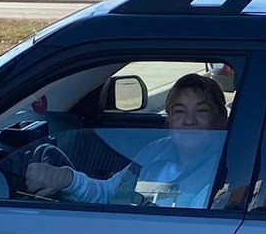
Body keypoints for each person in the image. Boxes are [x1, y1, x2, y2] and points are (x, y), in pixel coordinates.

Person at [23, 73, 230, 208]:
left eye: (201, 111)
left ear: (221, 119)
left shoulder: (230, 169)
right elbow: (110, 195)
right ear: (168, 119)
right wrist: (66, 179)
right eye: (179, 111)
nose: (189, 121)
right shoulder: (154, 152)